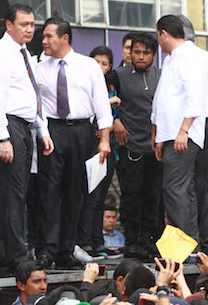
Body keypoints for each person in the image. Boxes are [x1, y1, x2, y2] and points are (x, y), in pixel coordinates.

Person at [34, 16, 112, 269]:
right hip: (52, 130)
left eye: (49, 36)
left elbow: (101, 102)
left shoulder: (88, 65)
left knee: (74, 192)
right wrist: (43, 131)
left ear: (65, 38)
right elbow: (36, 105)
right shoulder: (38, 66)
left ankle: (67, 248)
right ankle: (48, 248)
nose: (44, 41)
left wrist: (104, 139)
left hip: (81, 131)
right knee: (48, 192)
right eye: (43, 36)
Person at [0, 4, 54, 271]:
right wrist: (2, 136)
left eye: (32, 24)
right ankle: (12, 253)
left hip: (25, 126)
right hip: (8, 126)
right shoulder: (0, 54)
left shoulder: (24, 53)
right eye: (23, 24)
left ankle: (4, 253)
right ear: (9, 25)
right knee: (10, 193)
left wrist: (42, 129)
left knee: (18, 192)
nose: (29, 29)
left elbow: (31, 95)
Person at [152, 15, 205, 242]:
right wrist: (159, 136)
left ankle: (183, 246)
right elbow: (164, 100)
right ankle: (189, 245)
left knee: (175, 189)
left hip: (183, 134)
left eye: (157, 35)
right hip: (171, 133)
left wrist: (184, 130)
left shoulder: (188, 57)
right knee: (182, 190)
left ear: (163, 33)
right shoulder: (172, 58)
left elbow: (196, 97)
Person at [178, 15, 208, 259]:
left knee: (186, 187)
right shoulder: (206, 57)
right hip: (207, 122)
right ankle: (206, 243)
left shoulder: (181, 58)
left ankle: (195, 243)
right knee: (203, 186)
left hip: (189, 124)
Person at [112, 32, 162, 259]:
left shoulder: (161, 76)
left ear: (154, 54)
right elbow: (106, 103)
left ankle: (150, 240)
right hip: (129, 144)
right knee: (131, 196)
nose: (141, 56)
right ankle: (132, 241)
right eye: (137, 52)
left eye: (146, 53)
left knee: (153, 196)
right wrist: (116, 121)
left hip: (156, 146)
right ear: (130, 53)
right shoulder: (118, 75)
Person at [76, 46, 120, 257]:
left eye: (104, 63)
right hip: (90, 147)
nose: (99, 67)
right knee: (90, 197)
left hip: (108, 146)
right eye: (96, 62)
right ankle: (85, 242)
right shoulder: (84, 84)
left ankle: (98, 241)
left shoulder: (111, 85)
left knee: (101, 197)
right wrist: (108, 103)